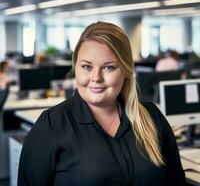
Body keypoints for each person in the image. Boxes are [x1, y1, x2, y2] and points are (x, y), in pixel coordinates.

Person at [17, 22, 185, 186]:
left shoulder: (151, 117)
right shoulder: (52, 125)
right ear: (75, 68)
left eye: (108, 68)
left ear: (126, 70)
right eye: (86, 67)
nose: (96, 77)